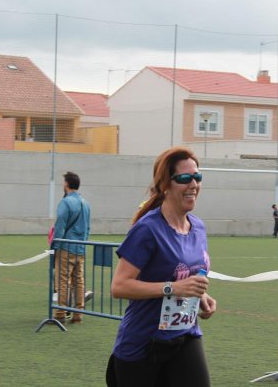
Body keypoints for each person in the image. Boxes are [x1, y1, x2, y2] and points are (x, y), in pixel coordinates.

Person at [106, 147, 217, 387]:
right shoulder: (148, 229)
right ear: (166, 184)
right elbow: (119, 286)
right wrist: (174, 288)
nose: (194, 184)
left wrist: (200, 296)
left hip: (185, 335)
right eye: (185, 178)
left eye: (197, 177)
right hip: (144, 344)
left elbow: (184, 276)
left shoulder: (198, 227)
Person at [51, 171, 91, 324]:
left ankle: (60, 313)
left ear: (67, 184)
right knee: (78, 281)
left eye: (63, 182)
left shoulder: (66, 202)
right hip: (81, 246)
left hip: (66, 246)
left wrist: (55, 244)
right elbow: (88, 228)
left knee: (62, 280)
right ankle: (78, 313)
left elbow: (60, 226)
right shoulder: (86, 203)